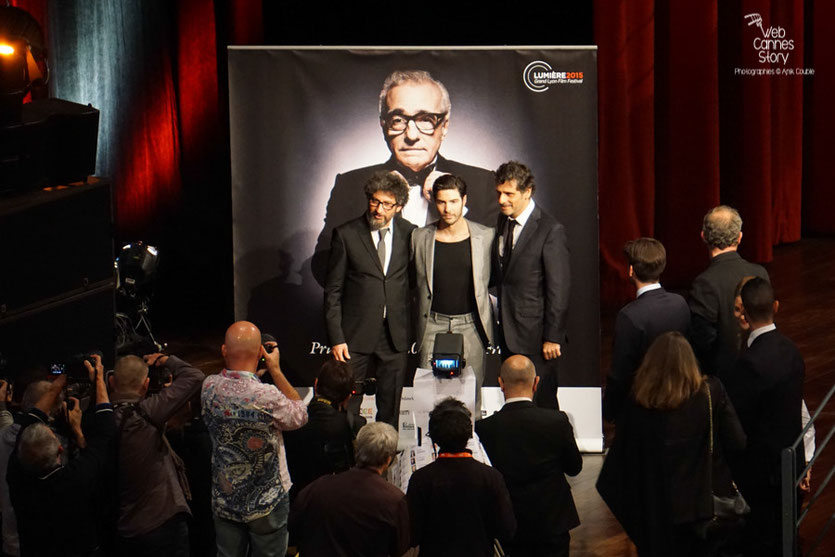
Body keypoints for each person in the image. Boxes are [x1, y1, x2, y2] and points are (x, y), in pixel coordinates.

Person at [312, 69, 497, 284]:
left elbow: (500, 270)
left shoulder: (483, 183)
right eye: (398, 120)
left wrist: (455, 208)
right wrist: (374, 212)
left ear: (444, 126)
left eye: (426, 119)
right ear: (383, 126)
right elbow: (323, 267)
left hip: (450, 315)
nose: (411, 135)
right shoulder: (350, 185)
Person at [596, 332, 746, 557]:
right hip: (704, 512)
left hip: (655, 517)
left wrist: (638, 524)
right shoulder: (710, 392)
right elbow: (738, 443)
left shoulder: (638, 405)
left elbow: (613, 475)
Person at [202, 321, 308, 557]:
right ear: (261, 353)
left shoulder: (208, 387)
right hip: (267, 503)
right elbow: (300, 415)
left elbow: (237, 391)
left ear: (223, 351)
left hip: (225, 497)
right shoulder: (267, 395)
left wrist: (253, 376)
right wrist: (276, 371)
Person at [324, 171, 415, 427]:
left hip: (394, 335)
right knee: (348, 406)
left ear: (398, 207)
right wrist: (337, 337)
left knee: (390, 408)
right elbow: (333, 290)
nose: (378, 209)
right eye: (375, 201)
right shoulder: (346, 234)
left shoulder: (411, 234)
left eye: (387, 204)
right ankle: (349, 458)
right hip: (354, 336)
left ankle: (387, 460)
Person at [721, 277, 805, 557]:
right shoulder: (793, 352)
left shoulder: (748, 364)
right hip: (790, 465)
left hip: (760, 475)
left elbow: (736, 422)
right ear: (776, 307)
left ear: (743, 311)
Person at [8, 357, 116, 557]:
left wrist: (57, 384)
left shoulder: (17, 477)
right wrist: (98, 379)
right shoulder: (74, 480)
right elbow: (105, 433)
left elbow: (29, 421)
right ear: (60, 450)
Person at [475, 355, 582, 556]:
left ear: (500, 384)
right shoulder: (557, 421)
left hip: (508, 524)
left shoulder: (485, 428)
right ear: (536, 383)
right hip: (553, 522)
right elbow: (574, 467)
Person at [411, 174, 495, 412]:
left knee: (471, 400)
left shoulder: (485, 236)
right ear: (433, 202)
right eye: (441, 202)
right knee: (428, 399)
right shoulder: (419, 237)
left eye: (453, 201)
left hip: (471, 325)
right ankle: (429, 449)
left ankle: (470, 448)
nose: (447, 209)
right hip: (432, 324)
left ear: (464, 200)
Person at [110, 353, 205, 556]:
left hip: (124, 529)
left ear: (111, 382)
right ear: (146, 385)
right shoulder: (146, 414)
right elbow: (195, 376)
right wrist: (165, 359)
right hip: (162, 524)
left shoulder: (101, 420)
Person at [492, 160, 570, 409]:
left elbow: (559, 287)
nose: (502, 200)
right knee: (515, 403)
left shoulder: (550, 229)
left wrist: (552, 337)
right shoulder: (503, 221)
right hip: (508, 333)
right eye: (499, 193)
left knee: (544, 403)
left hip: (537, 339)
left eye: (509, 194)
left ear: (527, 192)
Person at [406, 397, 516, 556]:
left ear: (434, 437)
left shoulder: (421, 479)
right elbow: (507, 530)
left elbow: (413, 535)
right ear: (468, 433)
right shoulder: (491, 477)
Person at [602, 237, 690, 423]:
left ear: (631, 270)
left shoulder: (630, 316)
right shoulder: (680, 304)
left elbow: (620, 373)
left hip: (642, 410)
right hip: (679, 401)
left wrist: (609, 411)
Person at [289, 421, 409, 557]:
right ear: (388, 460)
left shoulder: (317, 487)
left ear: (357, 449)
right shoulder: (395, 500)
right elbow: (399, 548)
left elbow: (293, 529)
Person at [689, 205, 769, 376]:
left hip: (723, 379)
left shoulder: (704, 283)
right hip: (761, 368)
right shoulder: (760, 273)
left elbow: (703, 343)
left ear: (704, 237)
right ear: (739, 237)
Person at [283, 359, 365, 502]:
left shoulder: (289, 421)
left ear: (315, 384)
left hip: (296, 504)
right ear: (349, 396)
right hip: (338, 504)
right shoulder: (356, 425)